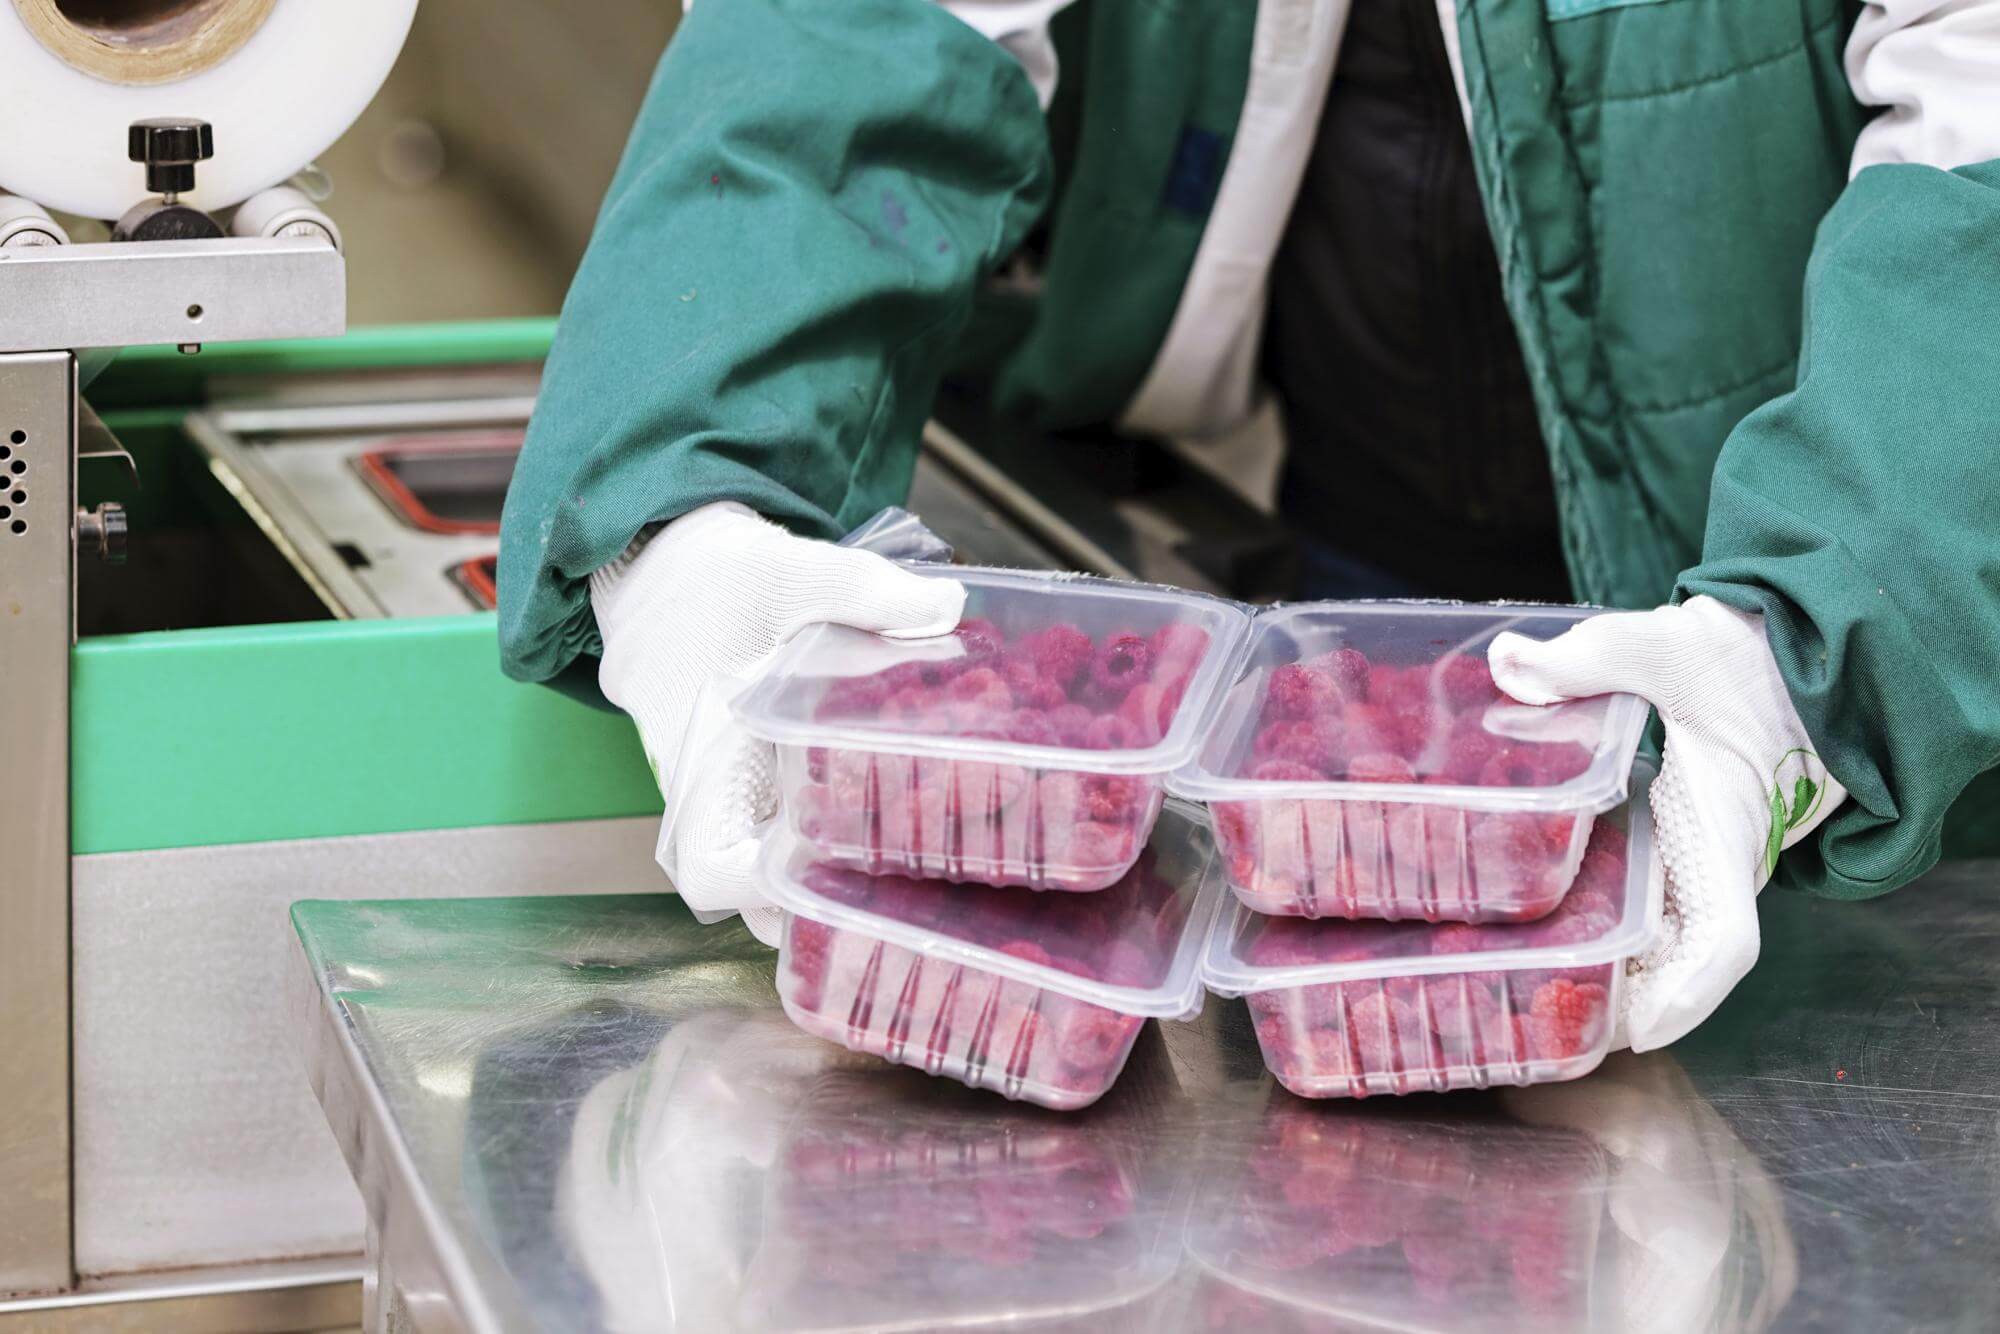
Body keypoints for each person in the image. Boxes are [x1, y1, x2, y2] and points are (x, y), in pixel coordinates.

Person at [496, 1, 2000, 1051]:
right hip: (1340, 563)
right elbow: (854, 42)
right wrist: (684, 496)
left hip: (1903, 675)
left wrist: (1810, 664)